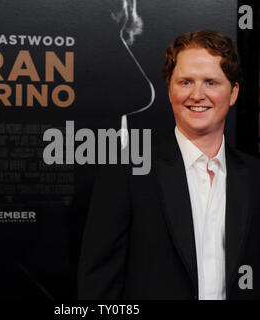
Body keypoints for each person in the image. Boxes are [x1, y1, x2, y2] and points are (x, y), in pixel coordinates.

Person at [78, 29, 260, 300]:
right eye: (186, 82)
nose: (197, 94)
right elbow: (98, 283)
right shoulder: (126, 170)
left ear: (233, 93)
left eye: (211, 82)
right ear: (169, 89)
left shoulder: (255, 176)